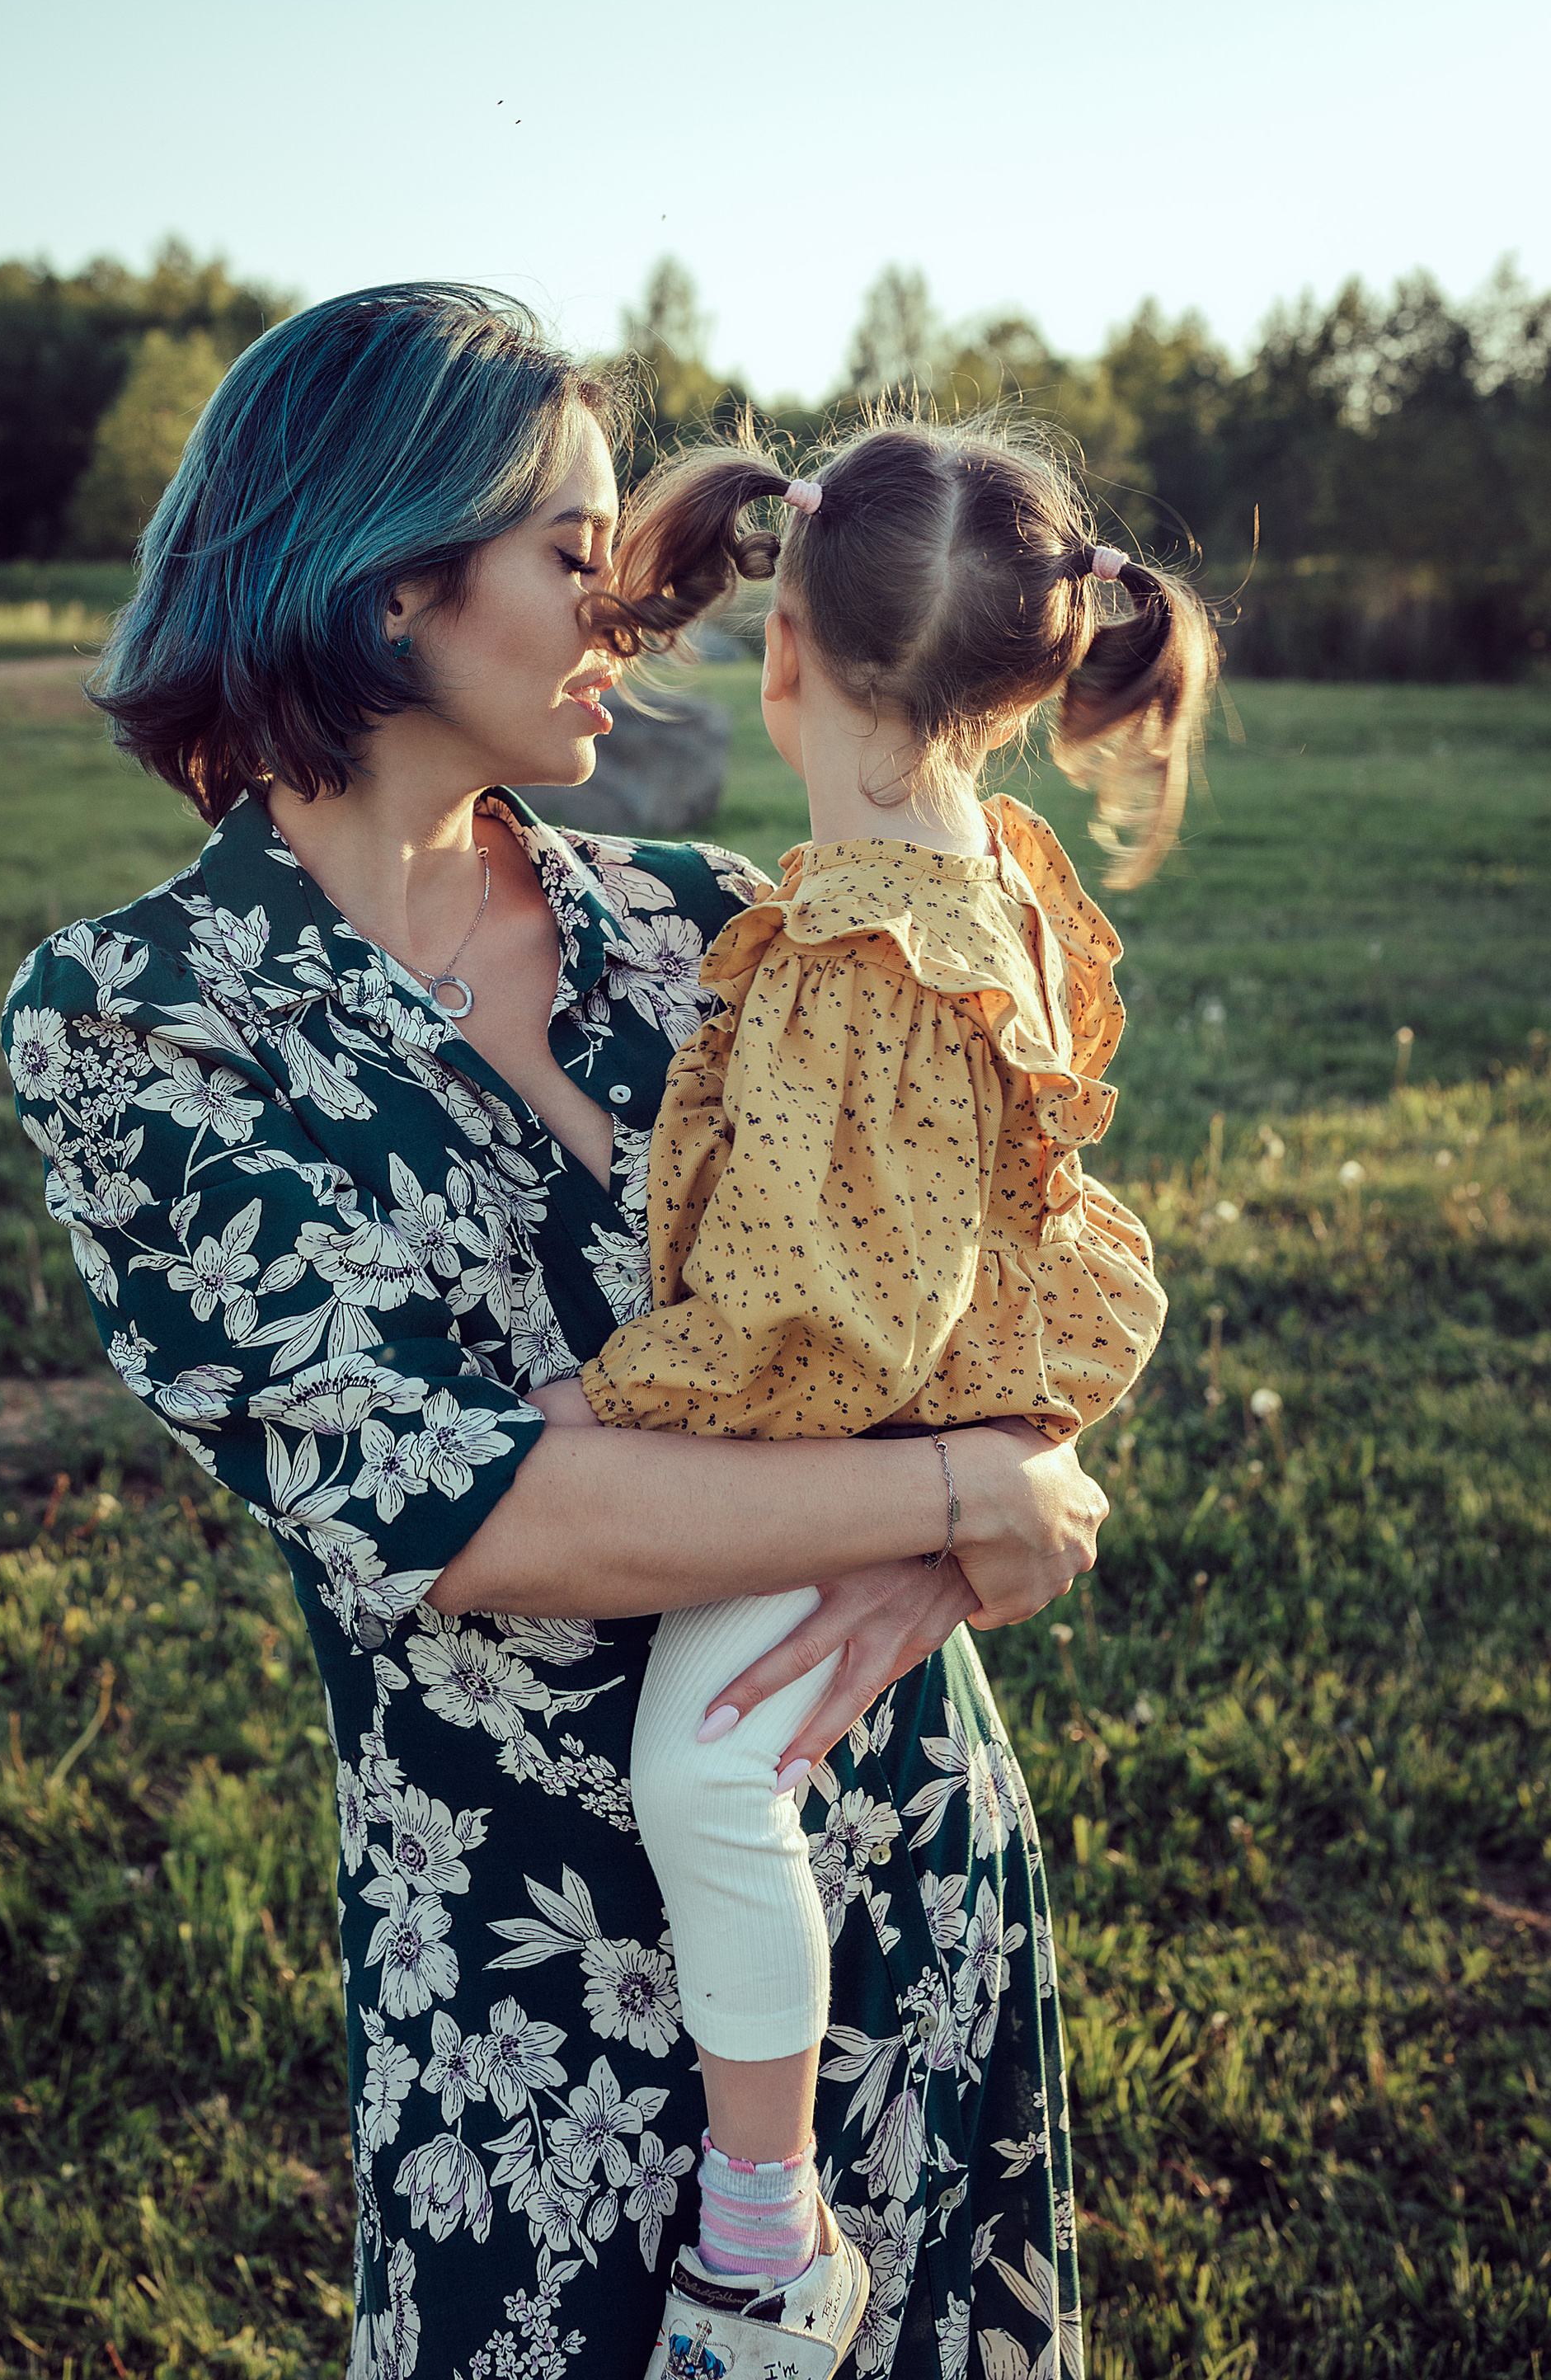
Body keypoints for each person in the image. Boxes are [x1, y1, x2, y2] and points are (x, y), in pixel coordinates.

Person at [2, 286, 1109, 2380]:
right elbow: (449, 1504)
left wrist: (1011, 1481)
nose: (630, 601)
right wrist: (959, 1494)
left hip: (889, 1842)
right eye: (568, 550)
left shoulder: (710, 919)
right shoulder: (144, 1016)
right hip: (528, 1966)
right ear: (395, 582)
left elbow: (1000, 1258)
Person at [519, 425, 1212, 2373]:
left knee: (703, 1768)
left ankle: (760, 2231)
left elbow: (814, 1320)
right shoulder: (980, 859)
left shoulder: (854, 943)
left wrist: (607, 1401)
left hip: (854, 1427)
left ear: (779, 657)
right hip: (957, 1395)